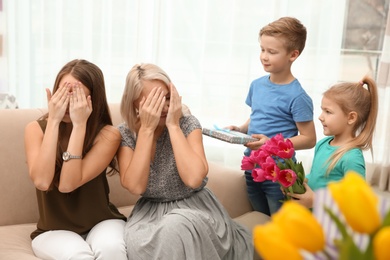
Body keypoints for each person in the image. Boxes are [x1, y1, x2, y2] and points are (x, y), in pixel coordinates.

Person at [117, 63, 253, 259]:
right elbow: (135, 186)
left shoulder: (188, 124)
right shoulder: (126, 133)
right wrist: (146, 130)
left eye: (166, 98)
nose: (163, 107)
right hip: (150, 215)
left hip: (194, 209)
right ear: (135, 104)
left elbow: (194, 179)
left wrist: (173, 125)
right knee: (139, 243)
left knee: (176, 227)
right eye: (153, 101)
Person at [24, 59, 127, 260]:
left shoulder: (108, 135)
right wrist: (53, 120)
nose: (68, 102)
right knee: (79, 255)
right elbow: (43, 182)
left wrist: (79, 126)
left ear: (92, 100)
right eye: (63, 93)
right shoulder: (35, 129)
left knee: (111, 250)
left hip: (102, 222)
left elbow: (68, 184)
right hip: (53, 230)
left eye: (77, 95)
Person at [227, 16, 316, 215]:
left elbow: (309, 139)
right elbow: (258, 115)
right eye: (262, 49)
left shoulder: (298, 96)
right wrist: (242, 129)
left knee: (279, 224)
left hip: (279, 175)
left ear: (293, 55)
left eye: (272, 52)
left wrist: (272, 145)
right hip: (253, 168)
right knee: (260, 218)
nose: (264, 56)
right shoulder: (257, 85)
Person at [289, 76, 378, 208]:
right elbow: (316, 176)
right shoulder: (323, 144)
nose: (320, 117)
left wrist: (315, 200)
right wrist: (300, 181)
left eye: (328, 112)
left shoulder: (351, 157)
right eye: (322, 110)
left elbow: (356, 202)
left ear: (351, 117)